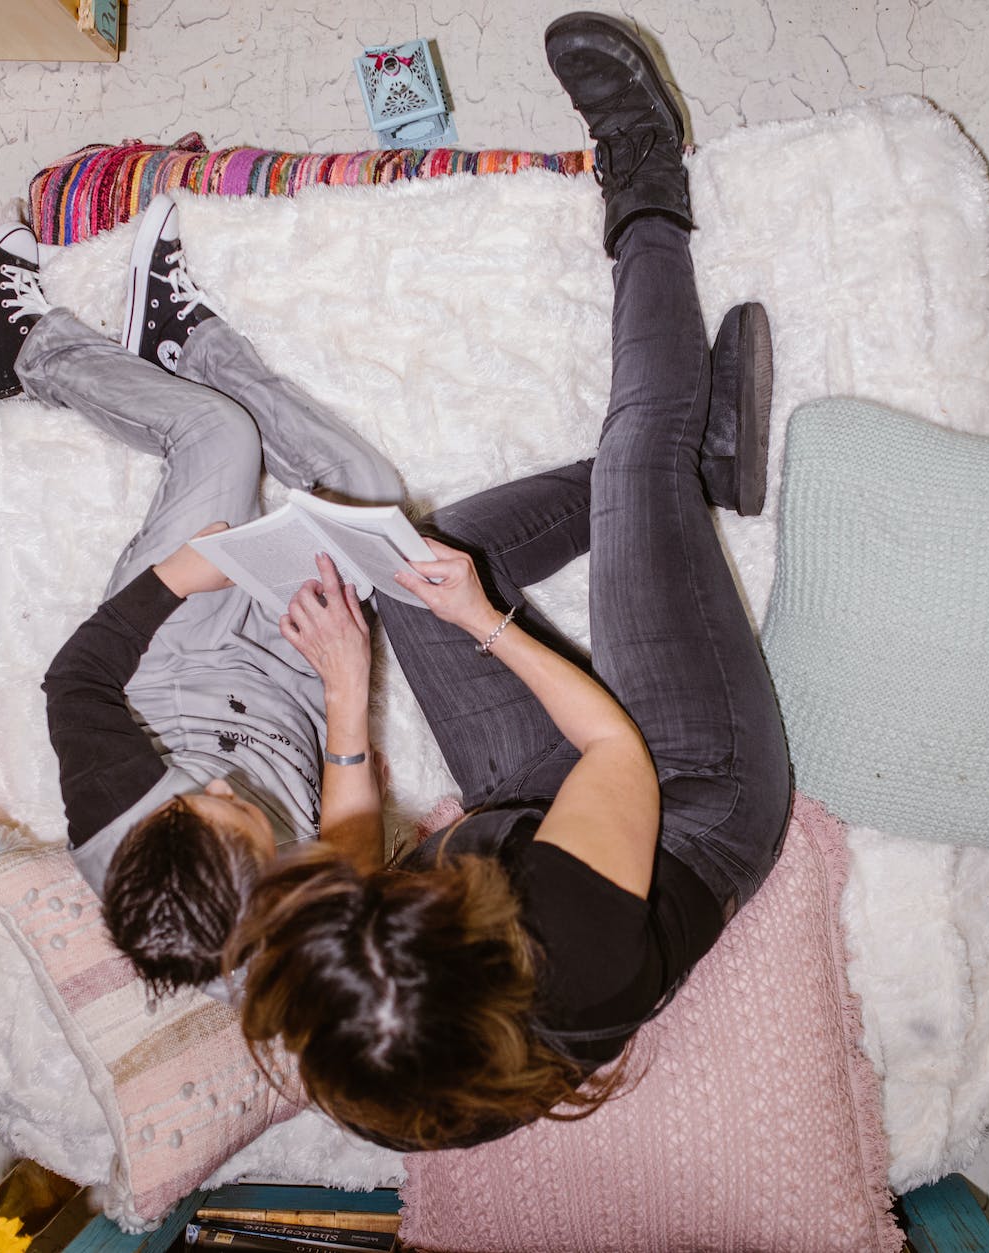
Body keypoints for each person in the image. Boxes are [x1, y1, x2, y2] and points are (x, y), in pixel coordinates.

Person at [229, 11, 792, 1151]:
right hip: (686, 793)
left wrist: (348, 688)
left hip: (524, 818)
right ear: (462, 934)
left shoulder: (373, 1045)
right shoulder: (573, 945)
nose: (370, 873)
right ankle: (647, 179)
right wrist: (487, 628)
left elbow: (347, 884)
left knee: (411, 573)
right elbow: (612, 754)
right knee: (632, 445)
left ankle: (700, 460)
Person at [0, 195, 402, 994]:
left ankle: (26, 352)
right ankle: (184, 341)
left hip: (172, 655)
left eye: (191, 798)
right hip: (297, 690)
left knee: (220, 436)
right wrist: (345, 691)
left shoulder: (114, 814)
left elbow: (76, 678)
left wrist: (179, 577)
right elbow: (355, 859)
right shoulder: (302, 950)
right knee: (369, 494)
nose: (214, 783)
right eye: (236, 812)